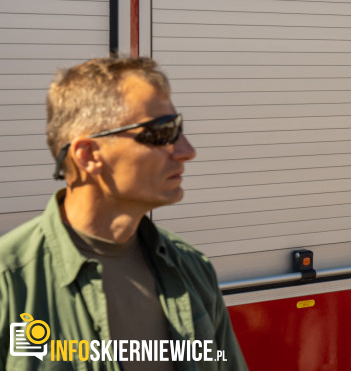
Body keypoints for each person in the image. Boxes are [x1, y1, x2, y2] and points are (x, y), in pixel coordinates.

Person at [0, 56, 247, 370]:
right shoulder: (9, 281)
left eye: (179, 128)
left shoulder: (191, 269)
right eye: (161, 132)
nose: (187, 150)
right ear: (89, 155)